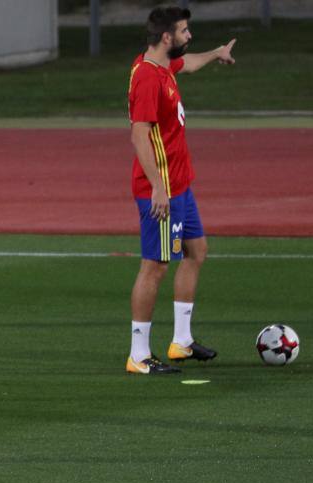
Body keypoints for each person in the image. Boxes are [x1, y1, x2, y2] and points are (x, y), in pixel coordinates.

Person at [125, 6, 236, 375]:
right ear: (167, 37)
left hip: (180, 186)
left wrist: (217, 53)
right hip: (162, 191)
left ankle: (181, 342)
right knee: (154, 266)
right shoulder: (147, 79)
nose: (190, 36)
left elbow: (186, 64)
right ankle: (138, 356)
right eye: (185, 31)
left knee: (196, 251)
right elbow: (139, 134)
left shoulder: (162, 67)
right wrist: (158, 186)